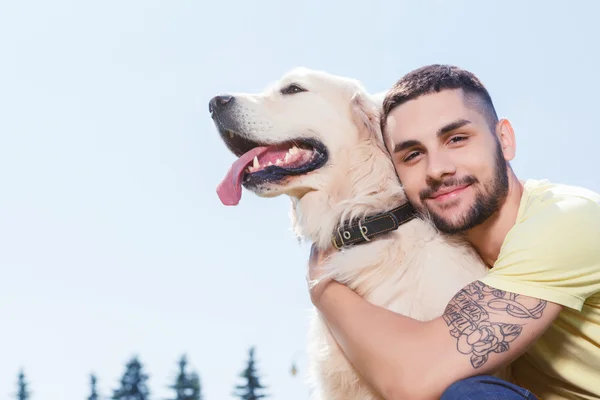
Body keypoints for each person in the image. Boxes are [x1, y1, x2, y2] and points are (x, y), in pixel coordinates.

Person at [307, 64, 600, 400]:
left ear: (504, 140)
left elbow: (418, 378)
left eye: (457, 139)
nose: (437, 169)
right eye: (413, 154)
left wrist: (324, 289)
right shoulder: (447, 255)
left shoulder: (565, 220)